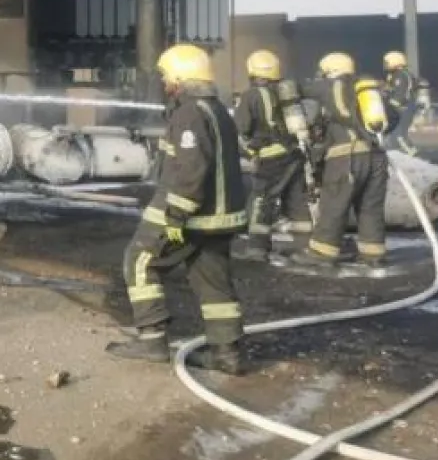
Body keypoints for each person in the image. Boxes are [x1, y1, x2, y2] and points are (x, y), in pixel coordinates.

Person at [107, 43, 248, 375]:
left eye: (165, 76)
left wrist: (176, 217)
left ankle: (152, 339)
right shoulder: (218, 111)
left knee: (139, 260)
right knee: (213, 283)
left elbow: (191, 170)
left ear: (179, 77)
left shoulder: (189, 113)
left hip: (191, 217)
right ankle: (226, 354)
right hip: (220, 219)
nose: (164, 83)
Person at [294, 53, 387, 269]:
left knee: (334, 203)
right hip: (377, 156)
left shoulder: (330, 86)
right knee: (369, 207)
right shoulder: (366, 89)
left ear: (330, 72)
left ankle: (321, 253)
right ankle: (373, 255)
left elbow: (299, 89)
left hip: (348, 157)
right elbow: (393, 116)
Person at [233, 50, 313, 261]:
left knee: (262, 201)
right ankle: (302, 246)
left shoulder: (251, 95)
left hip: (271, 157)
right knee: (296, 201)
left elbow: (241, 127)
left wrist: (249, 151)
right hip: (295, 154)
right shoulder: (286, 91)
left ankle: (257, 249)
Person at [383, 51, 419, 155]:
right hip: (399, 109)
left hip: (404, 108)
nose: (385, 65)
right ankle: (397, 154)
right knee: (393, 134)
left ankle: (413, 154)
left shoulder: (402, 75)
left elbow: (402, 92)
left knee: (399, 135)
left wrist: (394, 104)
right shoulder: (394, 75)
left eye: (387, 62)